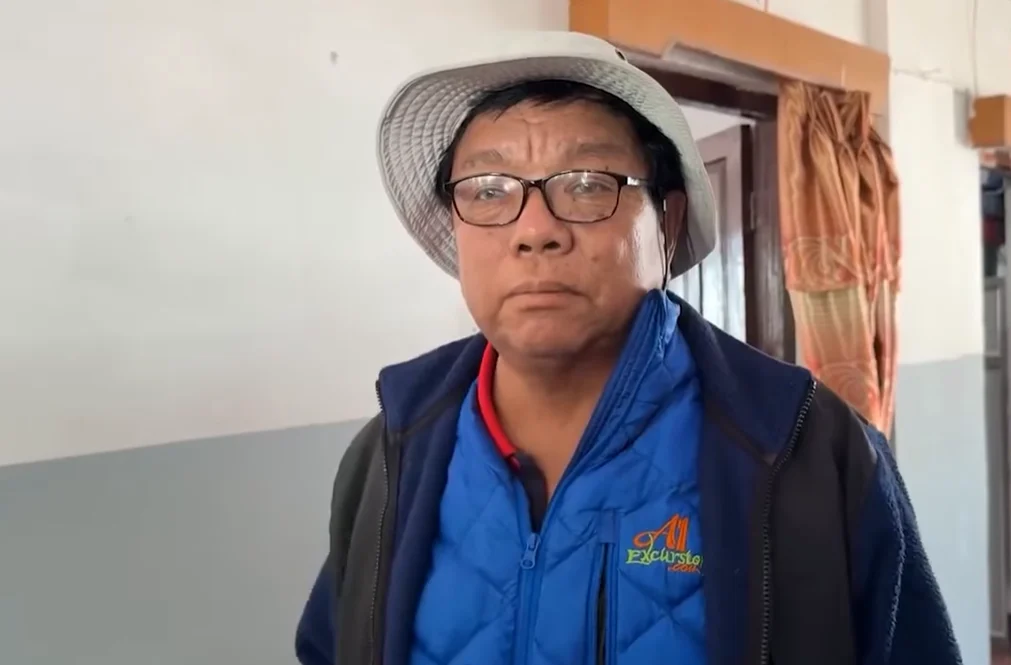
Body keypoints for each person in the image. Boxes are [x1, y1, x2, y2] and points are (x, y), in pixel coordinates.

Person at [295, 31, 962, 665]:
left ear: (667, 223)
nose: (535, 230)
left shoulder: (806, 451)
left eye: (587, 183)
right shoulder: (393, 453)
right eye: (489, 190)